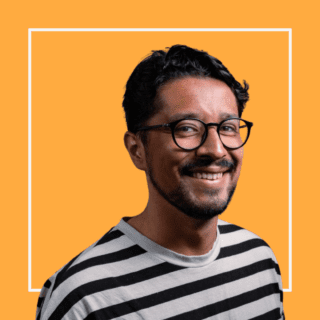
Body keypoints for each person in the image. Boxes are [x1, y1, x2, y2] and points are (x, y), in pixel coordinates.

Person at [36, 44, 284, 320]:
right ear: (137, 149)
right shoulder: (83, 298)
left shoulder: (259, 258)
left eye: (228, 128)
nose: (215, 149)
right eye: (187, 128)